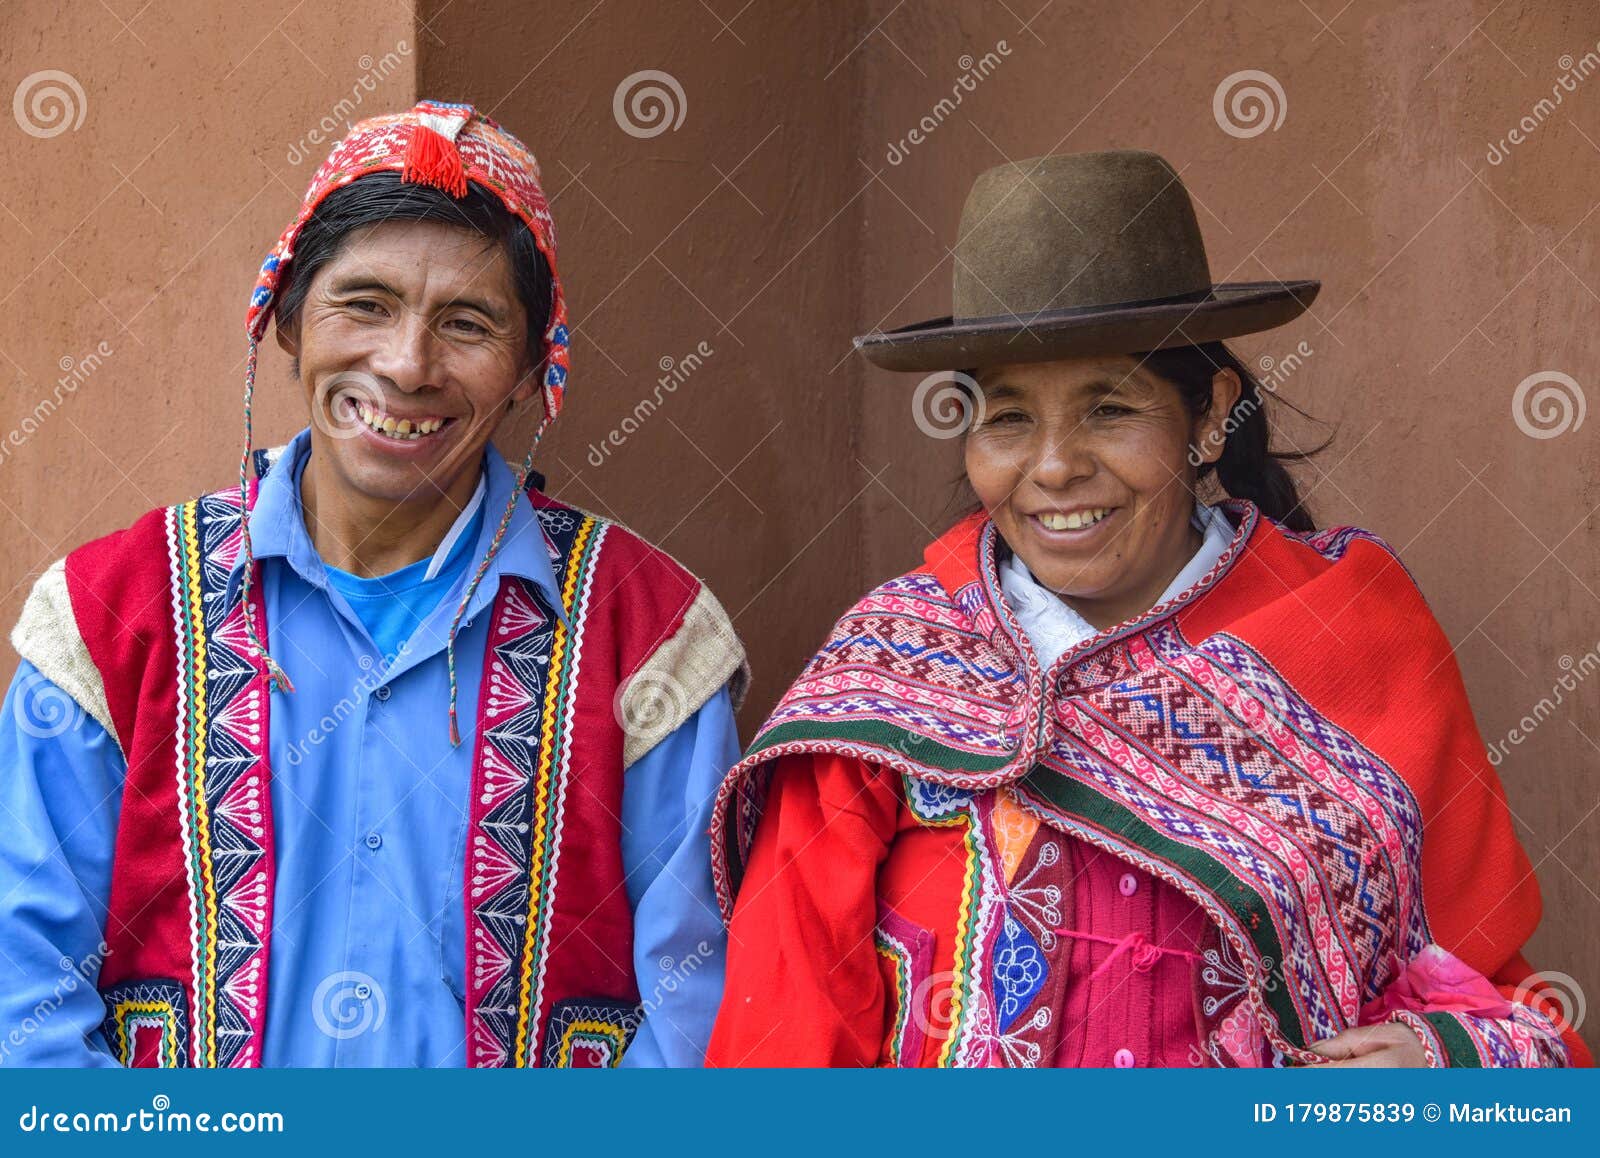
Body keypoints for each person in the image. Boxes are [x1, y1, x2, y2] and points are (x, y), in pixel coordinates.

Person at [705, 149, 1590, 1068]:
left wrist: (1436, 1063)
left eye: (1107, 408)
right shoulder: (889, 673)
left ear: (1208, 413)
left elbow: (1504, 1002)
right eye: (1009, 418)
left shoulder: (1353, 635)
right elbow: (781, 1030)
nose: (1053, 468)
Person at [0, 101, 746, 1068]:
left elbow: (700, 1009)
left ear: (531, 371)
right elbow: (25, 996)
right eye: (364, 304)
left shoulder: (647, 633)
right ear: (286, 323)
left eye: (468, 323)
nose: (405, 366)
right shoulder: (111, 614)